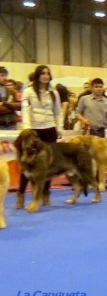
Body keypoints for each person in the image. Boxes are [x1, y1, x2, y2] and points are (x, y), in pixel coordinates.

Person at [16, 65, 63, 209]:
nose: (46, 76)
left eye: (48, 74)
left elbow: (58, 112)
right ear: (37, 75)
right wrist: (27, 129)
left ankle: (45, 194)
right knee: (27, 165)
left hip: (50, 130)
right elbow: (25, 109)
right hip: (33, 131)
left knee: (48, 165)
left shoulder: (54, 93)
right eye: (43, 73)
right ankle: (21, 194)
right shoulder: (28, 91)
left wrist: (59, 128)